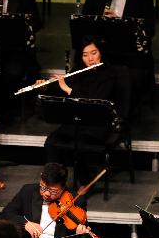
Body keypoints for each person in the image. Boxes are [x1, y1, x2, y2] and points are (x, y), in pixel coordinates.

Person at [43, 38, 131, 179]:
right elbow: (61, 89)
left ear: (100, 53)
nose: (90, 59)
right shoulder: (79, 71)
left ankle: (84, 184)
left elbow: (94, 100)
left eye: (94, 53)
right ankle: (54, 184)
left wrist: (68, 89)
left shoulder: (110, 74)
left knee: (79, 145)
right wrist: (46, 87)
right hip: (77, 122)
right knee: (51, 142)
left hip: (99, 124)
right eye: (85, 55)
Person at [82, 0, 156, 103]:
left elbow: (149, 30)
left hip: (129, 52)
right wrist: (98, 22)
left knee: (129, 77)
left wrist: (121, 23)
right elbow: (84, 23)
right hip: (102, 50)